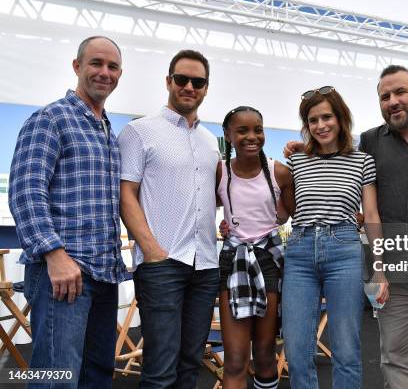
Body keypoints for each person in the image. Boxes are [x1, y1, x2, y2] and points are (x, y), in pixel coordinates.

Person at [284, 67, 408, 389]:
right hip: (344, 259)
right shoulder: (353, 147)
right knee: (388, 360)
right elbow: (293, 198)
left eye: (400, 92)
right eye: (385, 96)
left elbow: (372, 214)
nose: (393, 101)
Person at [8, 35, 126, 388]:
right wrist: (54, 255)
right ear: (77, 66)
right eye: (96, 63)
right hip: (64, 273)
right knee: (57, 377)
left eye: (113, 66)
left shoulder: (107, 130)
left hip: (104, 273)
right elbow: (26, 191)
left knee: (96, 375)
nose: (104, 72)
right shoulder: (50, 118)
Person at [118, 49, 220, 388]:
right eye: (182, 79)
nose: (189, 86)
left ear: (206, 88)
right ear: (168, 82)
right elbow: (125, 193)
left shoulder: (211, 142)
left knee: (191, 364)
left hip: (205, 265)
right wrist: (151, 249)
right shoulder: (139, 131)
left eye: (198, 81)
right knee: (160, 370)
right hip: (162, 264)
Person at [281, 86, 386, 389]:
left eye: (326, 117)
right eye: (313, 120)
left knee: (346, 350)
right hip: (299, 250)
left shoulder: (362, 160)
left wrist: (379, 268)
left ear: (340, 118)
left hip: (344, 249)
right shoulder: (297, 161)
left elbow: (372, 215)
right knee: (297, 350)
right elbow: (284, 210)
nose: (320, 125)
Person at [216, 106, 294, 389]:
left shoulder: (280, 172)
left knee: (264, 354)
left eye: (257, 129)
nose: (252, 136)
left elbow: (290, 213)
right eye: (242, 130)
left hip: (268, 260)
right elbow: (202, 205)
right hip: (233, 260)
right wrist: (226, 226)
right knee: (235, 359)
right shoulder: (220, 171)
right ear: (228, 135)